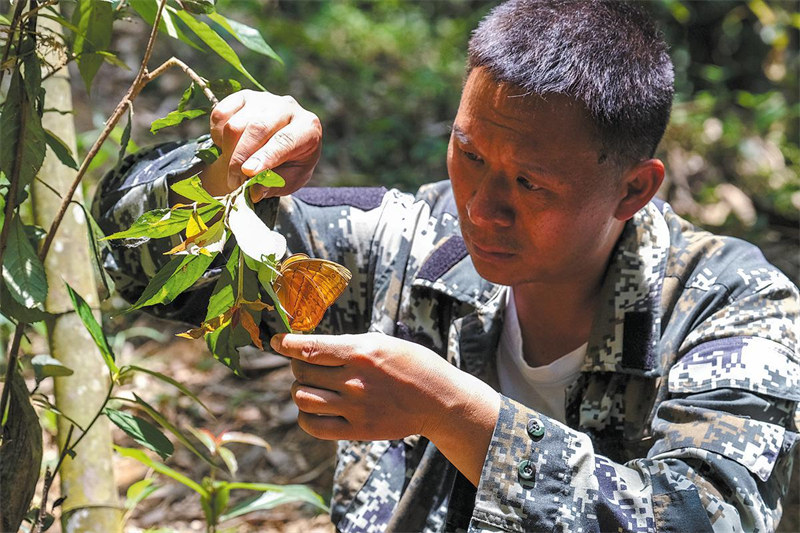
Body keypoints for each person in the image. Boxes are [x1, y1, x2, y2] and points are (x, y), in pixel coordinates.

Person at [93, 1, 799, 531]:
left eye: (531, 184)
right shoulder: (412, 240)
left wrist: (451, 410)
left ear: (634, 188)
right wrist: (229, 173)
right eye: (470, 154)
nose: (483, 208)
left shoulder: (733, 307)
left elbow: (706, 517)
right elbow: (135, 262)